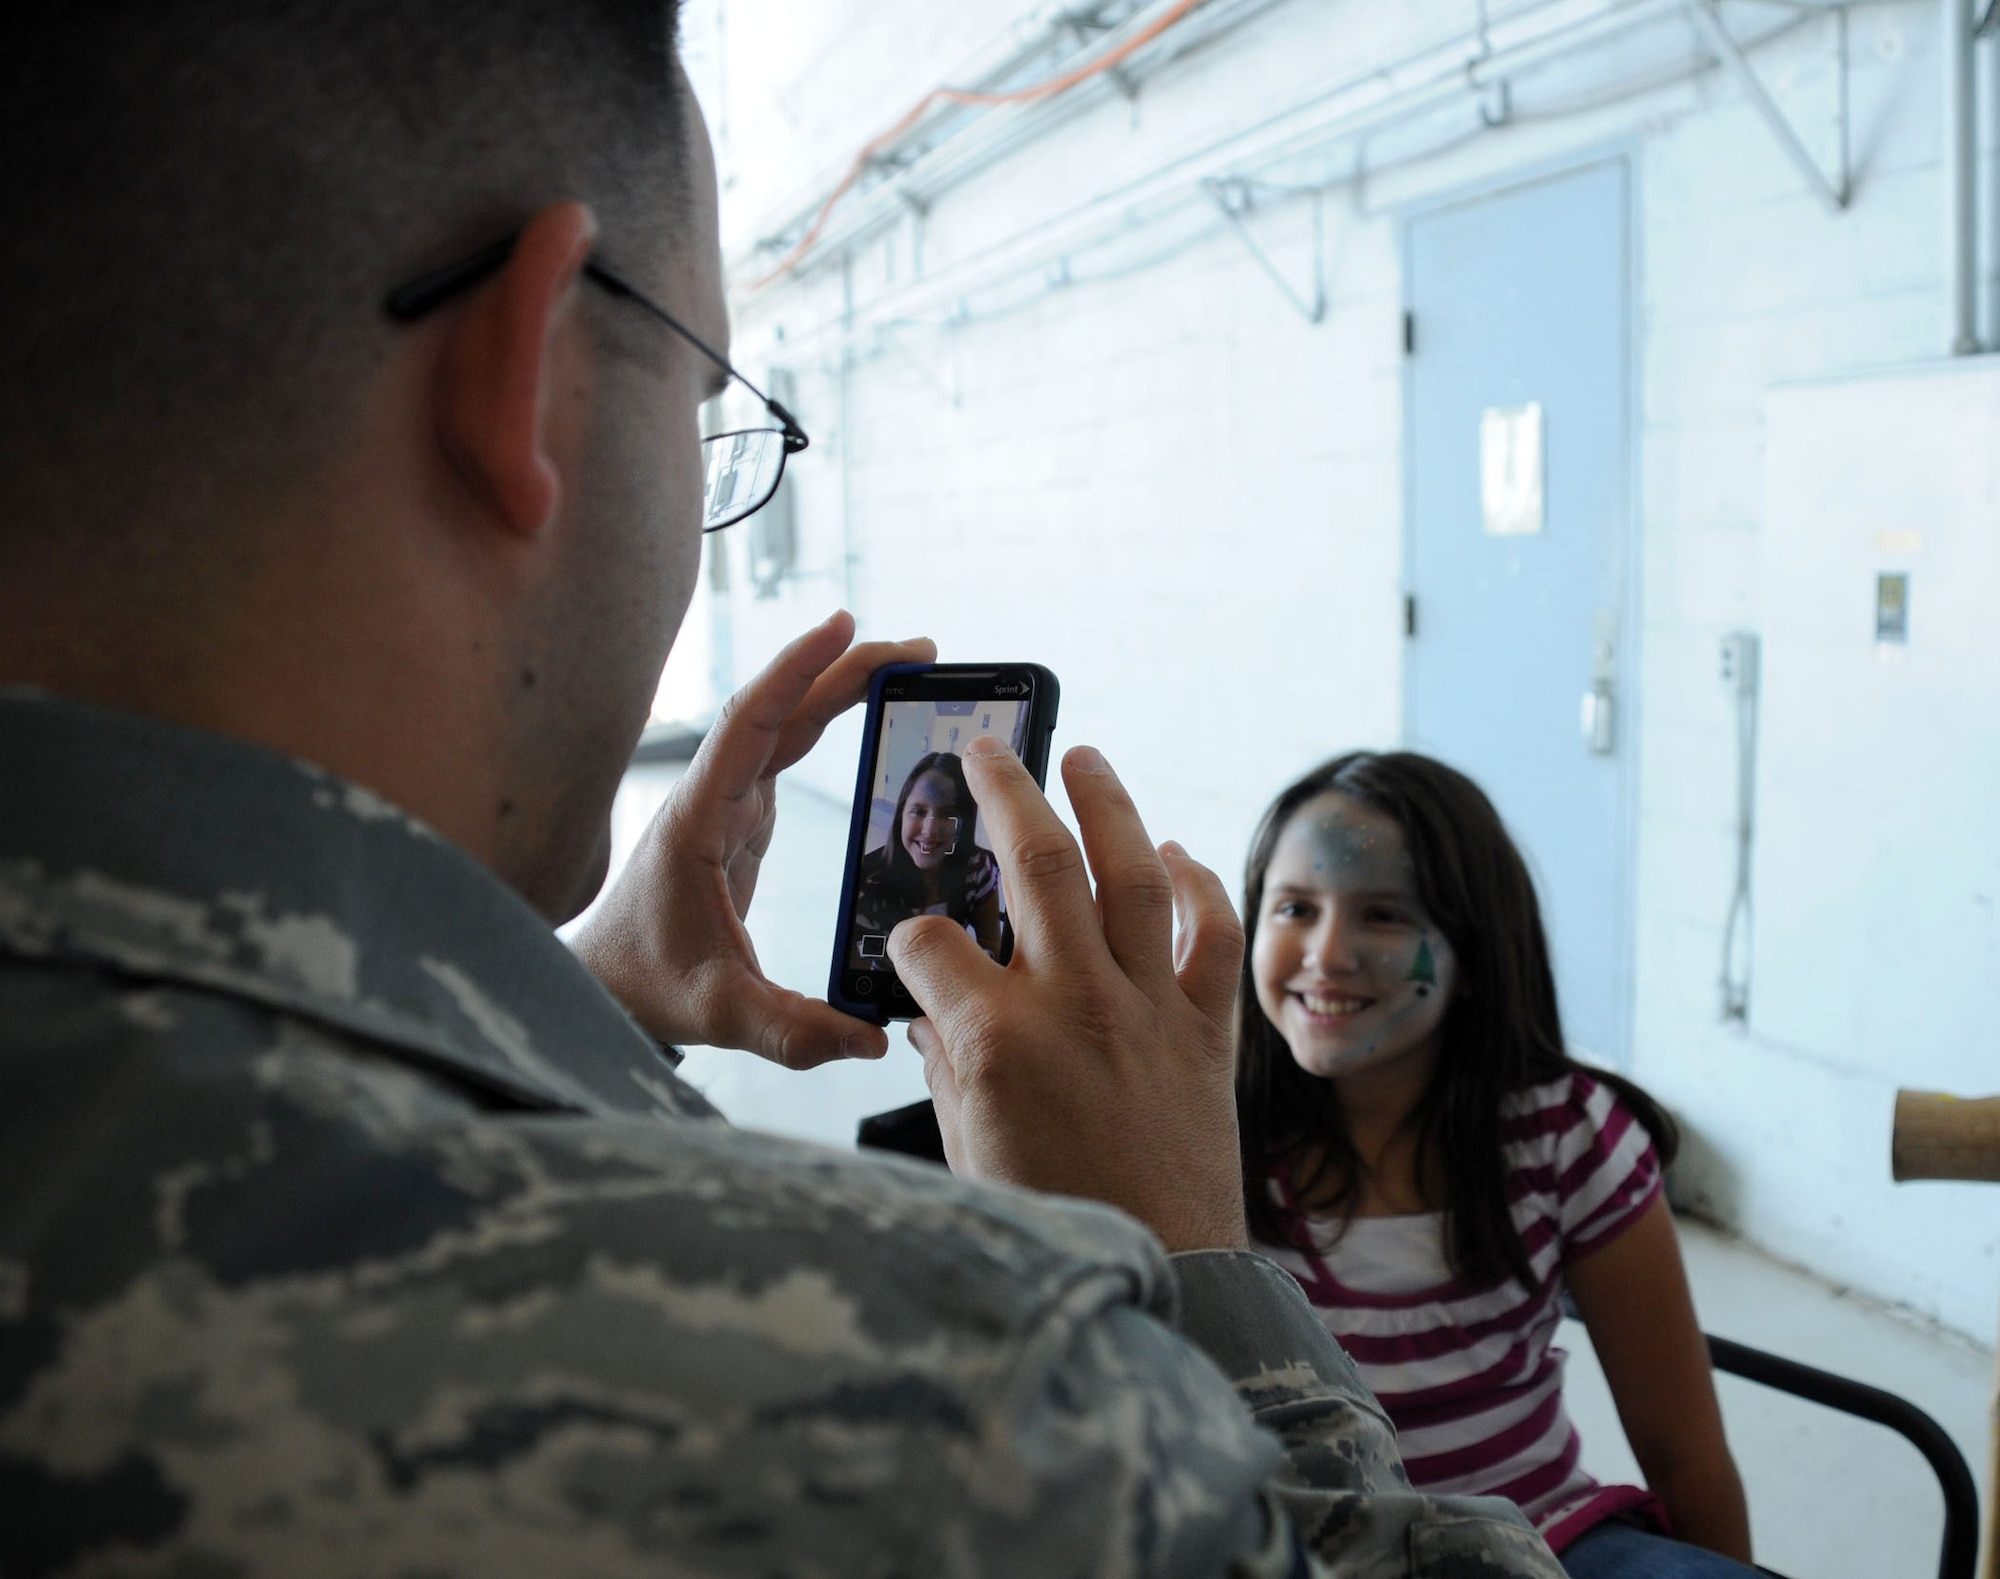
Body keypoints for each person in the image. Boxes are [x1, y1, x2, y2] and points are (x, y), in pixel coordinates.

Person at [0, 5, 1567, 1575]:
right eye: (701, 404)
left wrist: (579, 1005)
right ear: (531, 377)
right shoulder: (962, 1407)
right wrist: (1184, 1268)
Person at [1233, 752, 1758, 1578]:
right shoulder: (1203, 1133)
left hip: (1541, 1537)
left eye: (1383, 913)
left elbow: (1683, 1451)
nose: (1327, 952)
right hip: (1292, 1552)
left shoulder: (1568, 1134)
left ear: (1473, 950)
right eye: (1295, 906)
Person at [850, 751, 1004, 965]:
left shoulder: (978, 867)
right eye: (919, 811)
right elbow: (854, 966)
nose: (930, 830)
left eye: (946, 814)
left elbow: (990, 941)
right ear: (901, 814)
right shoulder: (866, 879)